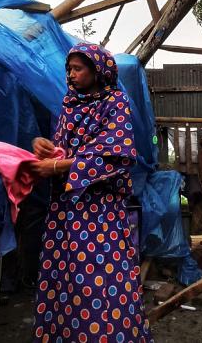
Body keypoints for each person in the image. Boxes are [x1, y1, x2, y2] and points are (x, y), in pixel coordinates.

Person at [28, 43, 152, 342]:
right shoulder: (69, 105)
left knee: (100, 280)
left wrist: (57, 167)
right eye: (69, 69)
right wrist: (43, 146)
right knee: (65, 276)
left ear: (98, 71)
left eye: (78, 68)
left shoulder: (115, 102)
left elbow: (116, 156)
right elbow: (62, 150)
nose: (71, 75)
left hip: (101, 211)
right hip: (66, 209)